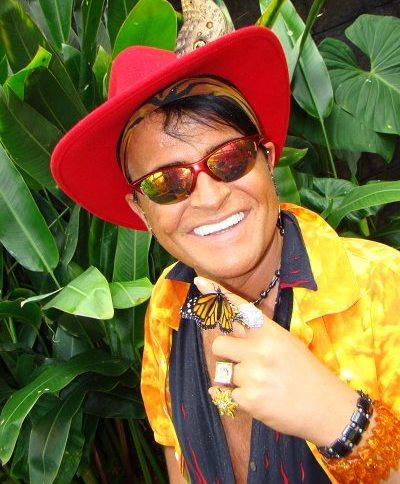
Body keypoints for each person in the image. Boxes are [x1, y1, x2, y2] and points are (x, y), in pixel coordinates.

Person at [51, 25, 400, 483]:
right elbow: (178, 458)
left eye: (231, 158)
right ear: (141, 210)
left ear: (268, 160)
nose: (211, 197)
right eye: (167, 183)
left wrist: (341, 420)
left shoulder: (384, 289)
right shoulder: (168, 308)